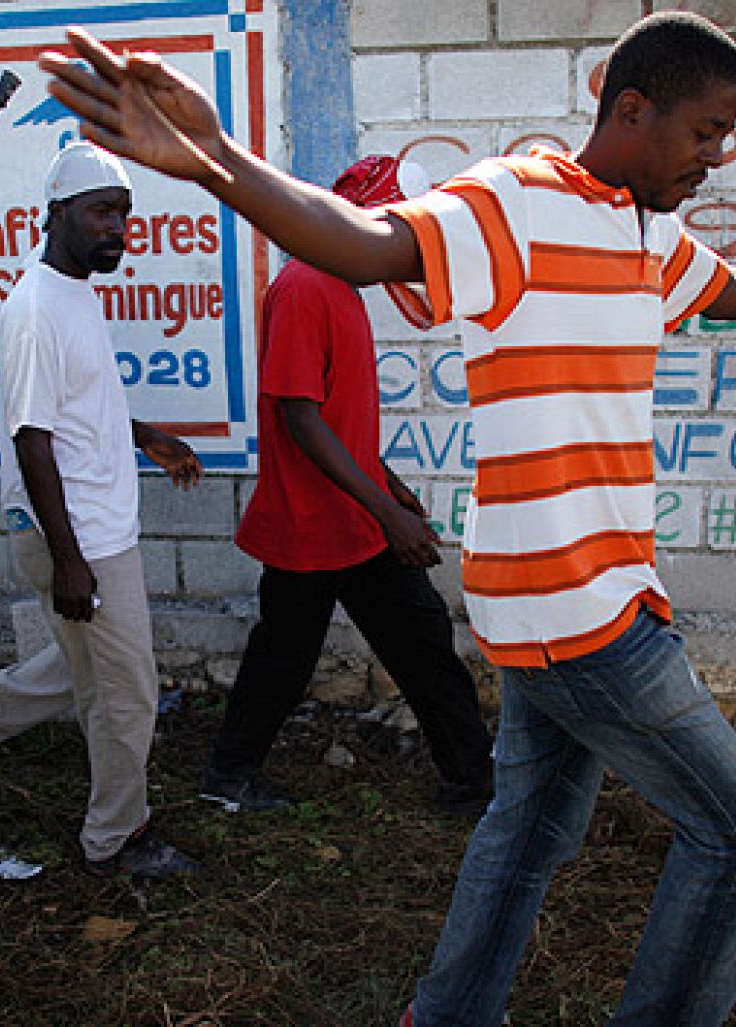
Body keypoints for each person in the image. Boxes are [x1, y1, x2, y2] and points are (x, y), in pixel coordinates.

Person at [41, 11, 736, 1023]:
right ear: (630, 108)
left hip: (551, 605)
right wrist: (217, 160)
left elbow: (731, 288)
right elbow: (358, 244)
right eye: (705, 131)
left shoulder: (652, 236)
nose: (719, 154)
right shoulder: (517, 200)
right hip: (582, 611)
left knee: (525, 829)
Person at [0, 142, 203, 879]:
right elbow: (32, 439)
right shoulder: (34, 306)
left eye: (124, 215)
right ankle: (115, 838)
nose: (117, 228)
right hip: (79, 534)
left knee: (82, 666)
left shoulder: (76, 293)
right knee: (127, 689)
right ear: (55, 215)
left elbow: (83, 407)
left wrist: (148, 438)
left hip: (92, 529)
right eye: (101, 212)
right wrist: (71, 559)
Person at [200, 154, 494, 817]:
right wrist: (387, 512)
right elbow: (299, 416)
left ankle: (473, 782)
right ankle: (228, 775)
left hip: (357, 518)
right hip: (314, 524)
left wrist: (390, 489)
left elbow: (337, 413)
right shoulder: (306, 286)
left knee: (422, 642)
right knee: (283, 659)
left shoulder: (339, 285)